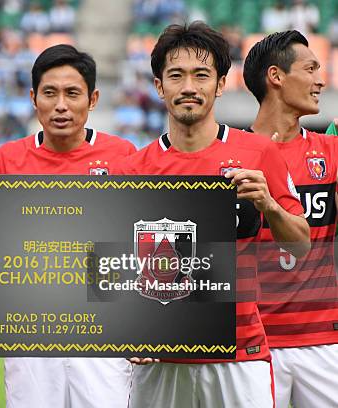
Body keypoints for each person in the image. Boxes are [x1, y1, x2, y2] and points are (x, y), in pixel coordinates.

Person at [116, 22, 310, 408]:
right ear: (159, 87)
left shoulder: (258, 154)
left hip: (241, 355)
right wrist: (128, 330)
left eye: (201, 75)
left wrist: (270, 206)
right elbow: (113, 268)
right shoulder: (132, 170)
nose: (189, 86)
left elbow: (301, 245)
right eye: (176, 75)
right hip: (160, 358)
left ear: (221, 84)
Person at [0, 44, 137, 408]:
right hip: (29, 331)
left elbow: (134, 248)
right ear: (33, 98)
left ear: (92, 99)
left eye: (72, 94)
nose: (61, 105)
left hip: (103, 331)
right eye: (50, 93)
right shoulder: (7, 160)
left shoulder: (123, 156)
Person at [243, 30, 338, 408]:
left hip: (325, 340)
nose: (321, 79)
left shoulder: (331, 151)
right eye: (310, 68)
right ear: (276, 76)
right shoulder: (229, 154)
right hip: (252, 342)